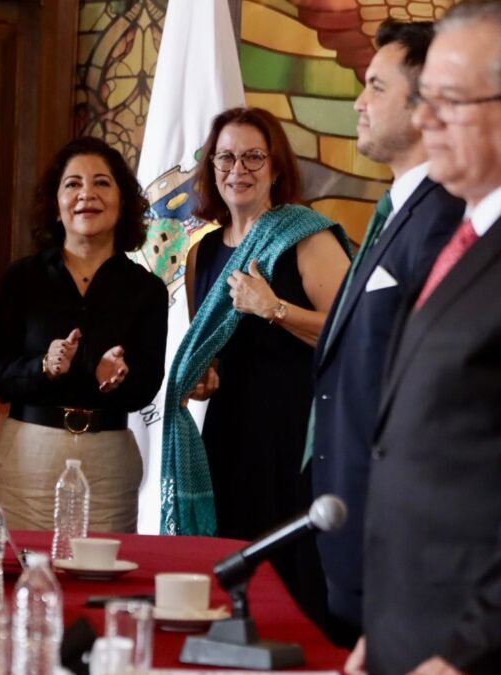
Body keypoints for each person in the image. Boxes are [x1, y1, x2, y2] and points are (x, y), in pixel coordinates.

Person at [346, 2, 501, 673]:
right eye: (424, 97)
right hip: (407, 631)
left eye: (451, 101)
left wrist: (466, 650)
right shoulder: (463, 238)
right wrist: (382, 627)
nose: (424, 119)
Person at [161, 107, 350, 623]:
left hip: (297, 436)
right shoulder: (201, 252)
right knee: (232, 572)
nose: (237, 169)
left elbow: (355, 333)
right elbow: (214, 350)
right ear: (211, 167)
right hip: (229, 435)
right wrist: (203, 377)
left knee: (293, 581)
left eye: (252, 156)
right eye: (225, 156)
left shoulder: (306, 237)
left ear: (275, 168)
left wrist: (275, 309)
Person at [309, 20, 464, 645]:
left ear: (425, 104)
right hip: (351, 522)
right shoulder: (400, 209)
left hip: (397, 539)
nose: (358, 102)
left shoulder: (445, 218)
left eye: (375, 86)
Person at [0, 136, 167, 532]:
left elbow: (148, 384)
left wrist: (114, 380)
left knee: (100, 577)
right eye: (73, 184)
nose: (87, 194)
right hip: (30, 453)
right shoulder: (22, 279)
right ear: (56, 203)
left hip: (109, 462)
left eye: (102, 182)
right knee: (22, 575)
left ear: (123, 201)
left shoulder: (146, 289)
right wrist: (43, 367)